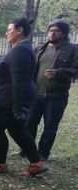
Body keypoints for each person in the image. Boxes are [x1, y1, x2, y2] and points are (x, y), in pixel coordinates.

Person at [0, 17, 48, 177]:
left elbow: (19, 79)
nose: (6, 33)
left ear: (19, 30)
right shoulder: (23, 49)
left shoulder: (20, 50)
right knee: (17, 130)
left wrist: (17, 106)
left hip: (9, 98)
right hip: (12, 96)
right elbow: (12, 71)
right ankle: (36, 164)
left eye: (9, 29)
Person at [25, 20, 78, 160]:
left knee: (50, 126)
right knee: (30, 123)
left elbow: (75, 70)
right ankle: (26, 149)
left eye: (57, 30)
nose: (52, 33)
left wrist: (58, 72)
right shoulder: (41, 48)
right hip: (36, 93)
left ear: (64, 33)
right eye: (50, 30)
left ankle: (43, 153)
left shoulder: (72, 49)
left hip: (56, 95)